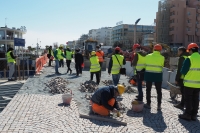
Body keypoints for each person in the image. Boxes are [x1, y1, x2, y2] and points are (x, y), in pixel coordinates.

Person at [179, 43, 200, 121]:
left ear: (191, 50)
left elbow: (183, 71)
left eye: (189, 50)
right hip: (198, 84)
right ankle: (194, 115)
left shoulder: (189, 58)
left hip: (189, 83)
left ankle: (187, 114)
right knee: (196, 99)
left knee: (188, 99)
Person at [144, 44, 165, 110]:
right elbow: (162, 65)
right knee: (159, 91)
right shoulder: (162, 57)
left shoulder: (147, 56)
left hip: (149, 74)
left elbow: (145, 64)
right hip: (158, 75)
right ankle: (159, 105)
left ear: (154, 49)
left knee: (148, 90)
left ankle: (148, 104)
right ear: (160, 50)